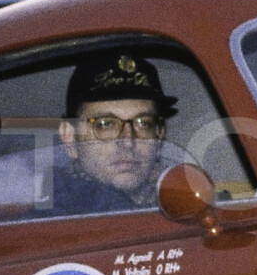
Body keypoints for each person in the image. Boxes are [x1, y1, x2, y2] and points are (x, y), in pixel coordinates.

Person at [50, 50, 179, 214]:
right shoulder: (49, 222)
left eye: (143, 123)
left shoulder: (186, 205)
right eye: (105, 125)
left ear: (159, 135)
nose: (128, 141)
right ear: (69, 137)